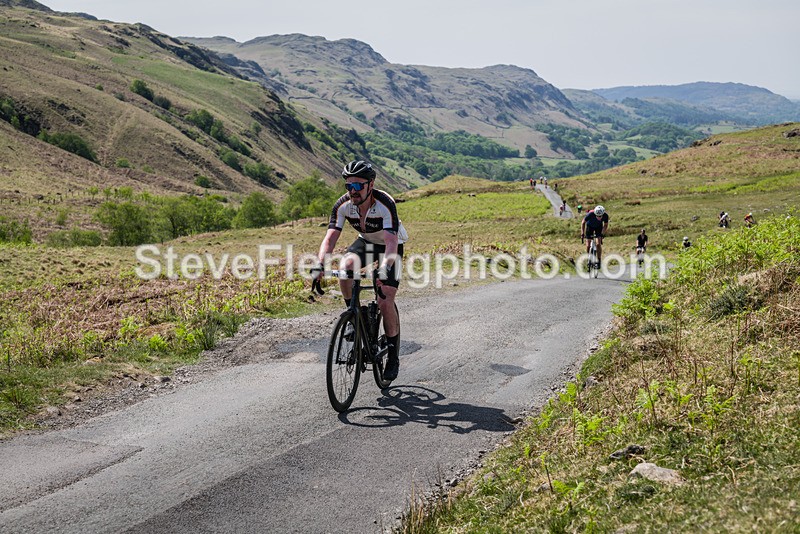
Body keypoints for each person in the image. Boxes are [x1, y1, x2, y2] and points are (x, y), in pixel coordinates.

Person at [314, 160, 408, 380]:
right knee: (345, 267)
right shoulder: (343, 205)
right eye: (349, 186)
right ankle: (355, 318)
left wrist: (385, 269)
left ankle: (393, 356)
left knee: (385, 301)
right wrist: (320, 265)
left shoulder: (385, 203)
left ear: (371, 184)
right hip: (365, 242)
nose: (353, 191)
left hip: (390, 246)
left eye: (358, 186)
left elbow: (391, 243)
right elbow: (330, 238)